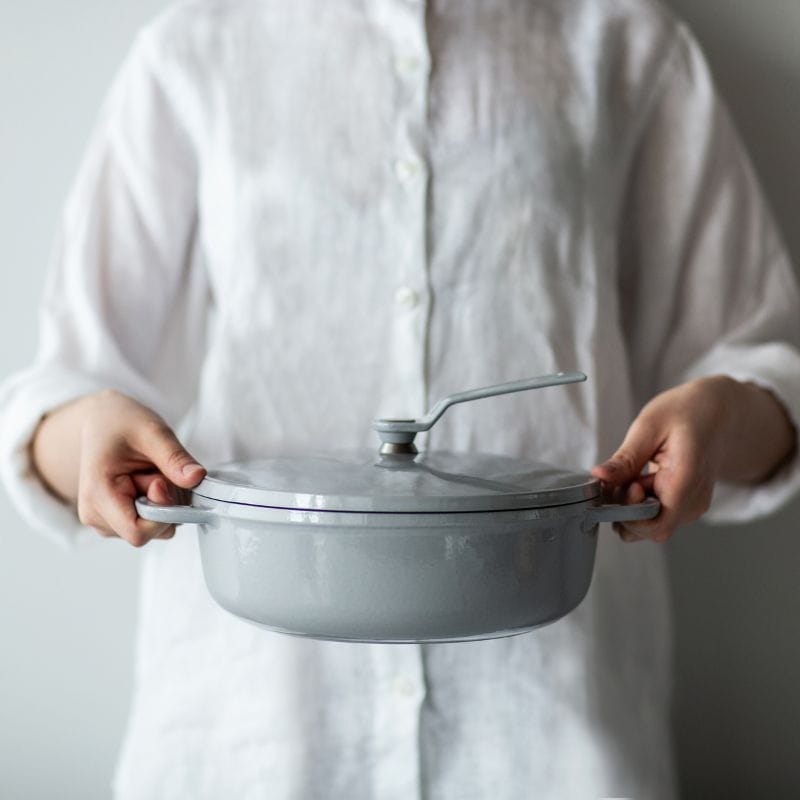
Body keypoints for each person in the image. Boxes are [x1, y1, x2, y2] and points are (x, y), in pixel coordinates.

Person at [2, 0, 799, 797]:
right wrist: (86, 434)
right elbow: (66, 389)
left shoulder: (624, 43)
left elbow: (762, 372)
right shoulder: (196, 49)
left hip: (550, 732)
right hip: (257, 723)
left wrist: (719, 418)